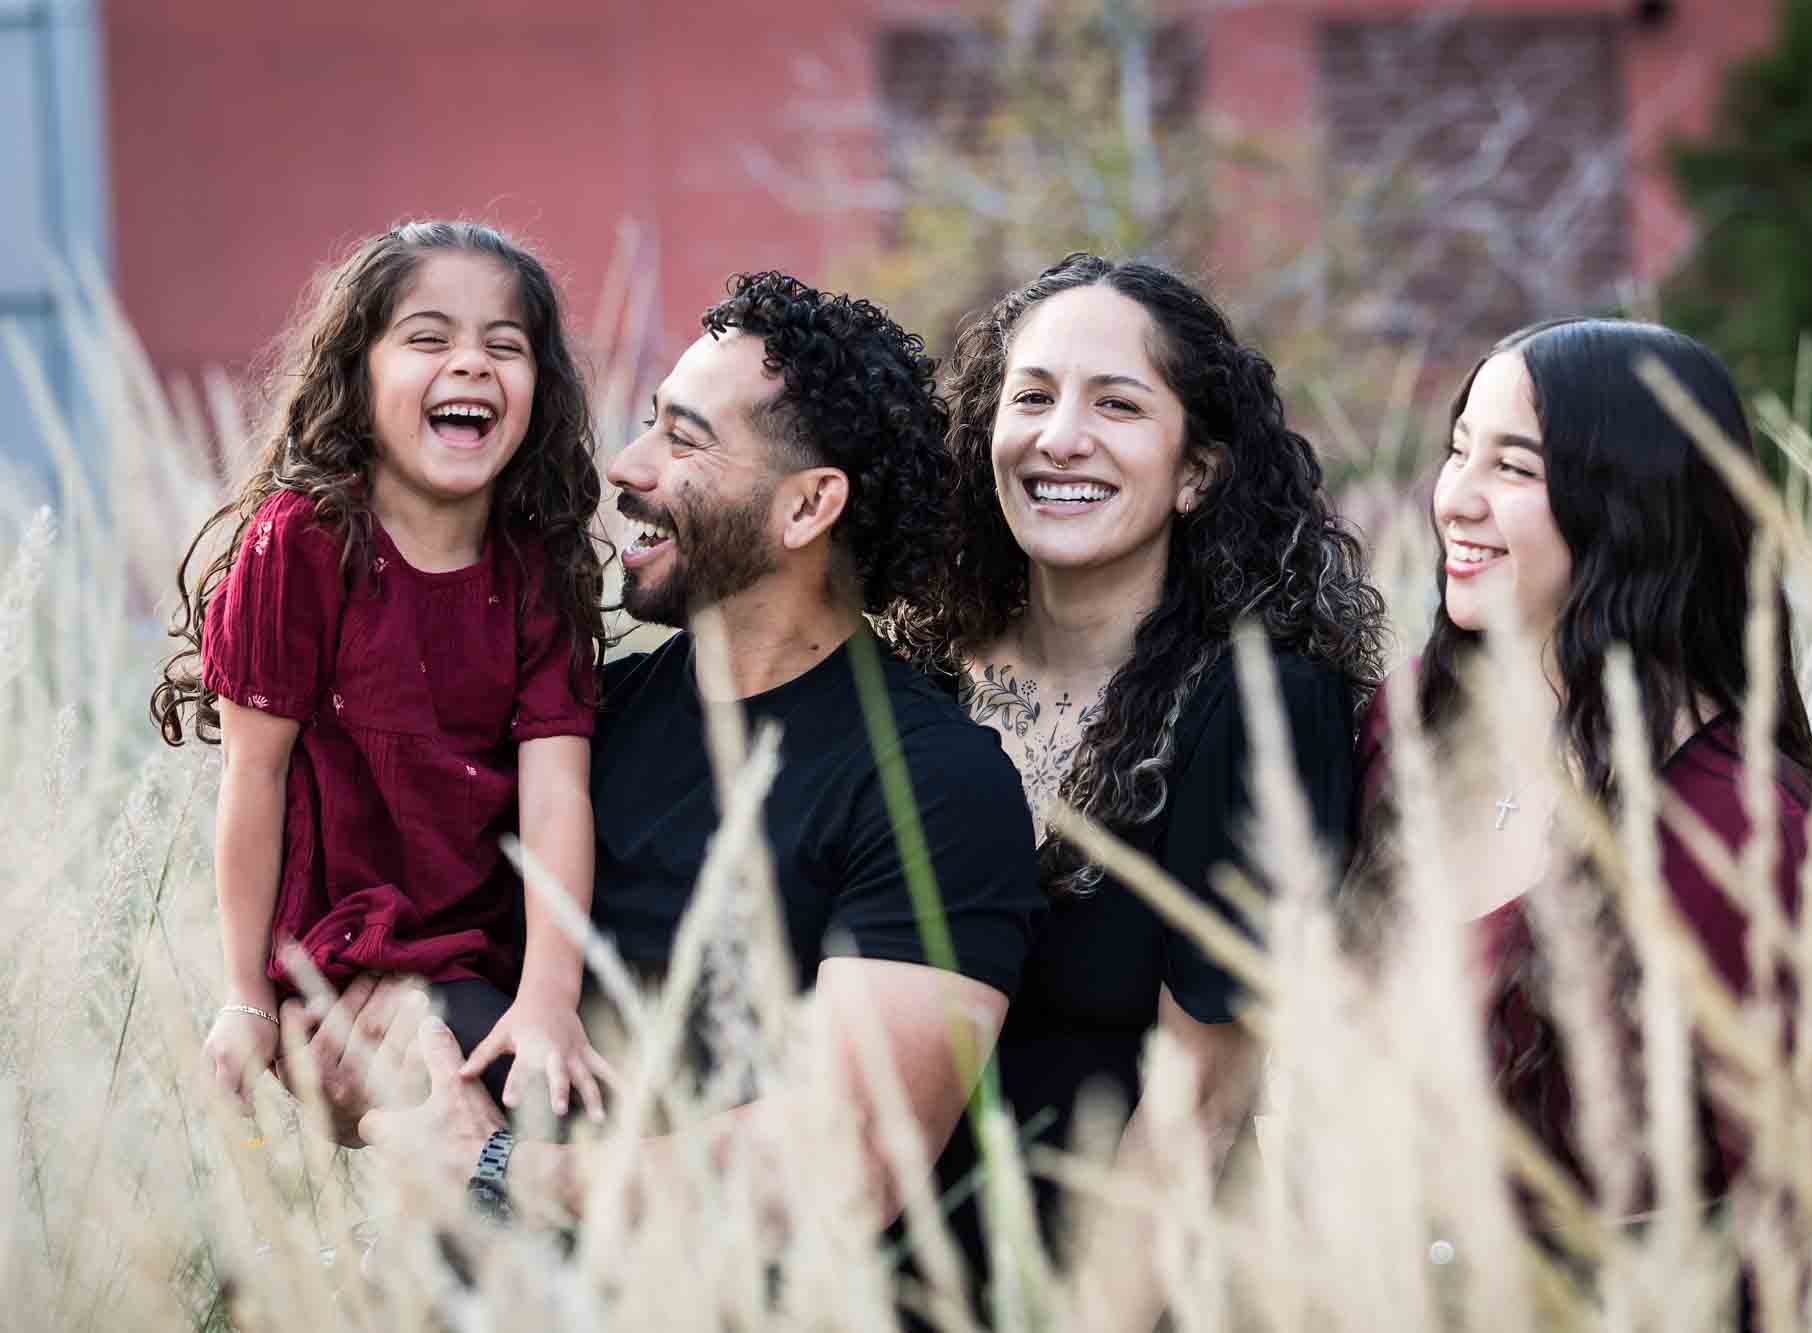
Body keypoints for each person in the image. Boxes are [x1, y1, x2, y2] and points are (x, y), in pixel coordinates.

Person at [340, 272, 1043, 1235]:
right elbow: (396, 1005)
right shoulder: (575, 726)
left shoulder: (937, 786)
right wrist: (386, 1046)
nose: (628, 466)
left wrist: (499, 1166)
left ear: (808, 509)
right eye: (648, 424)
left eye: (685, 438)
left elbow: (845, 1158)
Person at [881, 252, 1389, 1318]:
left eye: (1115, 404)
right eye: (1030, 397)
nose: (1059, 437)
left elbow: (1198, 1103)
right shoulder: (915, 676)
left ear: (1195, 470)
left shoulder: (1254, 703)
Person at [1348, 318, 1812, 1298]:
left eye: (1511, 467)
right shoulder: (1405, 729)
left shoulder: (1735, 837)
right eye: (1456, 449)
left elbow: (1803, 1231)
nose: (1453, 499)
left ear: (1630, 505)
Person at [152, 220, 612, 1121]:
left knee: (560, 1101)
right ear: (358, 377)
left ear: (538, 391)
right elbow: (255, 774)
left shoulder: (538, 566)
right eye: (430, 338)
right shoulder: (304, 541)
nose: (473, 364)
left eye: (505, 346)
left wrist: (550, 998)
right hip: (340, 946)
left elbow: (557, 794)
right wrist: (244, 996)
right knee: (497, 1120)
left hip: (484, 949)